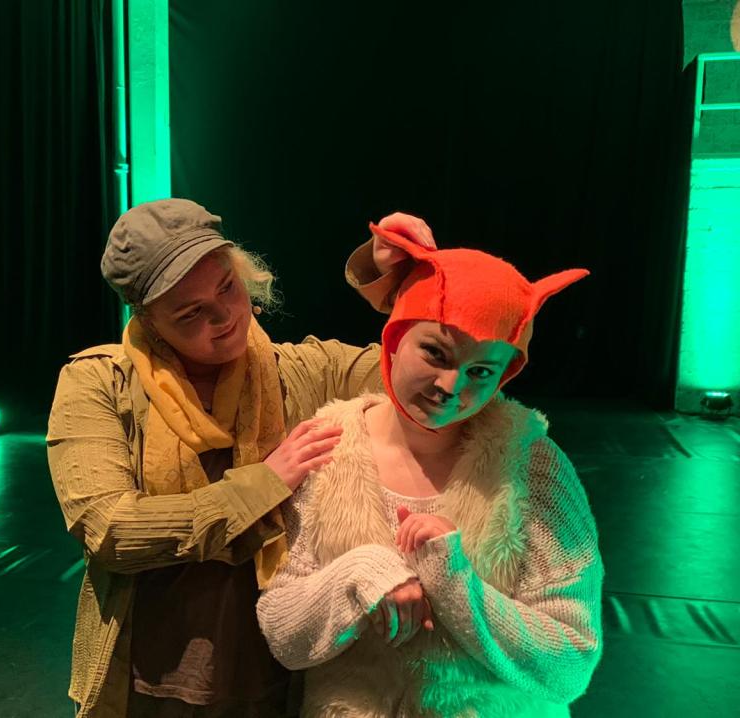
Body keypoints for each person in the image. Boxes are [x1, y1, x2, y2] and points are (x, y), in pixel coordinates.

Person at [45, 198, 434, 717]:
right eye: (190, 313)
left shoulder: (295, 371)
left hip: (272, 678)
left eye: (227, 287)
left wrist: (409, 284)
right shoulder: (98, 382)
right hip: (148, 683)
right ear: (149, 320)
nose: (224, 316)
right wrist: (263, 483)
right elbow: (110, 529)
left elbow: (430, 372)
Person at [256, 222, 604, 717]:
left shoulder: (531, 466)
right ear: (395, 338)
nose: (449, 385)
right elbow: (283, 636)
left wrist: (456, 581)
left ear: (504, 375)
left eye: (480, 371)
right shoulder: (327, 450)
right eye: (435, 353)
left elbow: (570, 664)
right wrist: (359, 572)